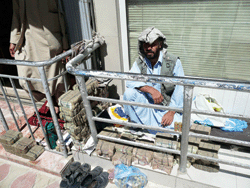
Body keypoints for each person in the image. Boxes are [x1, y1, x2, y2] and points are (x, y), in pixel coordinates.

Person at [123, 27, 184, 131]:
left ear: (160, 45)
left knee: (178, 129)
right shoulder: (140, 62)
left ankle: (150, 129)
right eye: (145, 44)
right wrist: (150, 89)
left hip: (166, 109)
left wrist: (171, 112)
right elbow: (130, 80)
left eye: (152, 44)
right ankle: (138, 127)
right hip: (147, 107)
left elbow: (180, 89)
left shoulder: (173, 62)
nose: (148, 48)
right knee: (128, 94)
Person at [9, 0, 69, 104]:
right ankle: (50, 103)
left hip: (50, 38)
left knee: (55, 78)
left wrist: (65, 45)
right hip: (28, 38)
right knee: (26, 75)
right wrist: (14, 40)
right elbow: (16, 14)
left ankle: (59, 107)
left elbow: (60, 13)